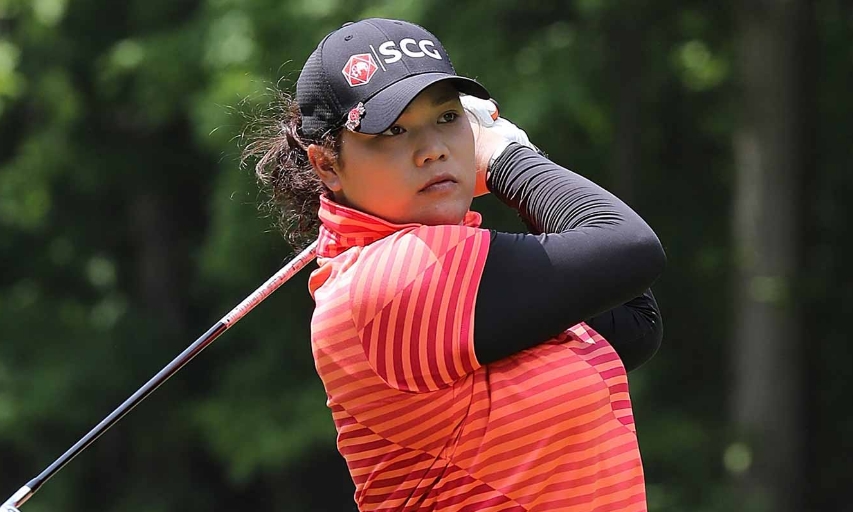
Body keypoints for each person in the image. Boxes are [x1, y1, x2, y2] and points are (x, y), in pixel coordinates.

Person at [245, 17, 666, 512]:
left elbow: (633, 325)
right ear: (327, 165)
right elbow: (629, 247)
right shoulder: (393, 277)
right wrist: (510, 158)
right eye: (394, 129)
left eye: (447, 118)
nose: (433, 150)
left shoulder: (443, 263)